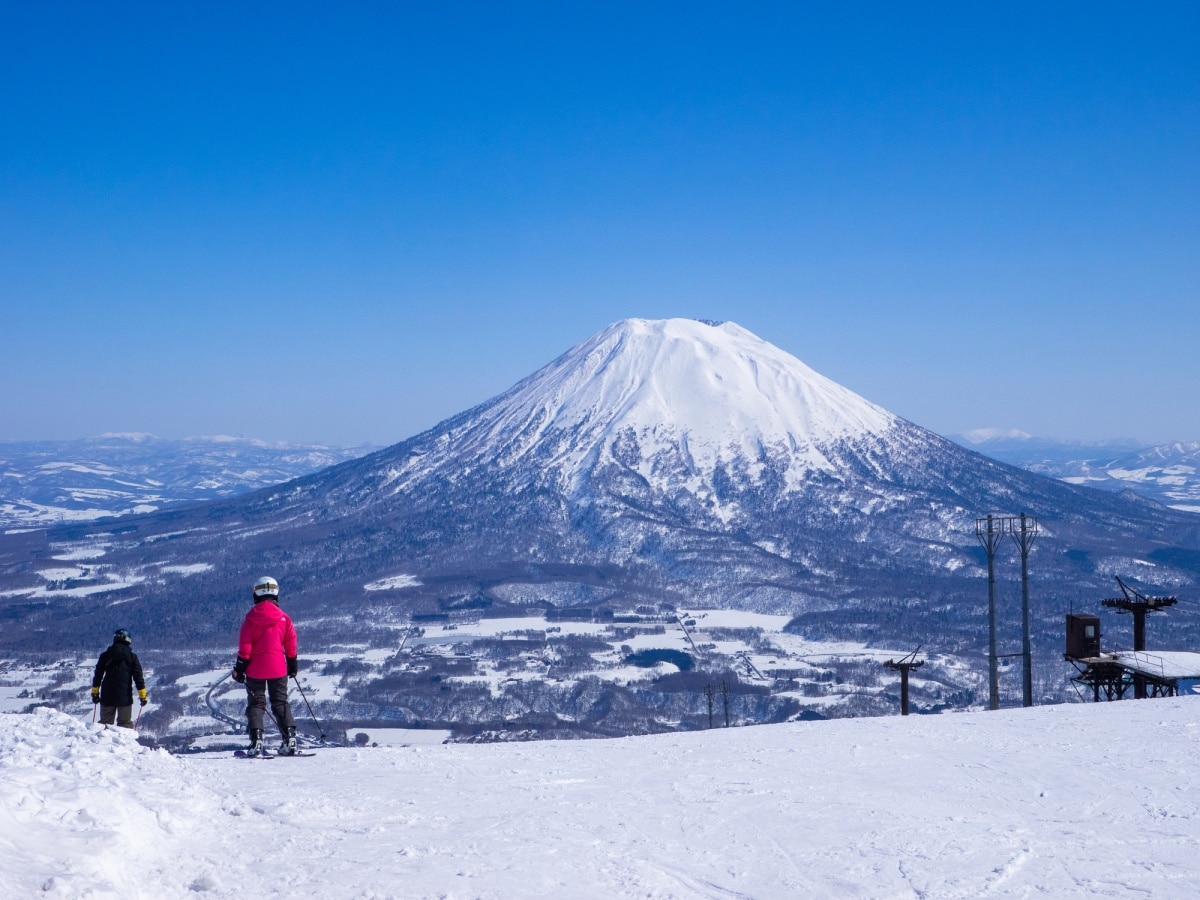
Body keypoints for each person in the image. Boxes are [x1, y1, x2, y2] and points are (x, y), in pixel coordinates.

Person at [232, 576, 299, 756]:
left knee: (256, 704)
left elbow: (245, 647)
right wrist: (292, 664)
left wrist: (239, 669)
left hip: (255, 669)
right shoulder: (284, 618)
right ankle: (290, 739)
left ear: (256, 594)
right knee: (280, 702)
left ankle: (256, 742)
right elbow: (291, 643)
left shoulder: (250, 619)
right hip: (279, 668)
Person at [91, 628, 147, 728]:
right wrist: (143, 696)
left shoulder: (105, 656)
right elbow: (138, 678)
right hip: (124, 696)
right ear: (128, 640)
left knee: (104, 725)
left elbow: (98, 675)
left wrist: (95, 693)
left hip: (107, 695)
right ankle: (124, 743)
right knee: (124, 725)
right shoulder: (132, 657)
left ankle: (102, 743)